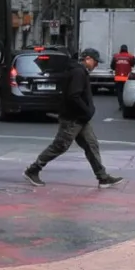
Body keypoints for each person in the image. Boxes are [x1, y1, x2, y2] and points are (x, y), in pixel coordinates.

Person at [23, 48, 125, 188]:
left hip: (81, 119)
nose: (96, 65)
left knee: (91, 145)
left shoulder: (79, 71)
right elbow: (73, 96)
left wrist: (86, 112)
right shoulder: (78, 72)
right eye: (95, 62)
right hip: (72, 118)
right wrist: (87, 110)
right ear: (88, 59)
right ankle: (33, 170)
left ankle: (102, 177)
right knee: (60, 146)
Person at [111, 44, 135, 110]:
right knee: (127, 91)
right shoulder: (131, 56)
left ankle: (121, 105)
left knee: (119, 92)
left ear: (120, 49)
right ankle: (126, 104)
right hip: (127, 78)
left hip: (118, 78)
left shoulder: (116, 56)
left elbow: (112, 66)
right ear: (127, 49)